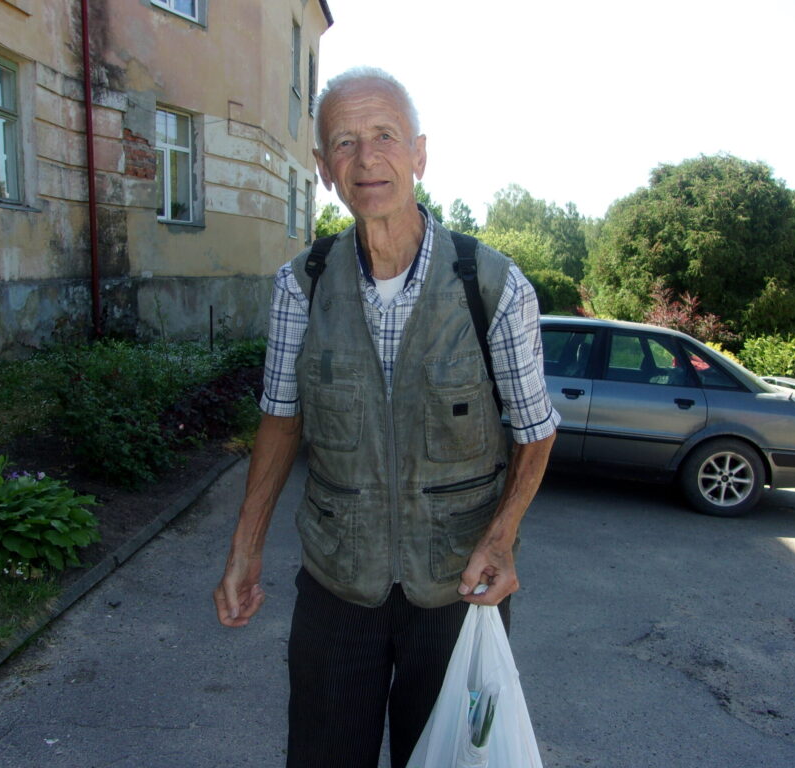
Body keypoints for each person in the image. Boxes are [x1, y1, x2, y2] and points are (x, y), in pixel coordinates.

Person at [213, 66, 558, 768]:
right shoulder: (301, 285)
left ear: (419, 154)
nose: (366, 158)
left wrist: (502, 537)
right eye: (344, 142)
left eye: (385, 136)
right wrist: (245, 546)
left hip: (458, 586)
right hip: (337, 585)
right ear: (323, 168)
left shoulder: (493, 285)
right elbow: (280, 420)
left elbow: (535, 429)